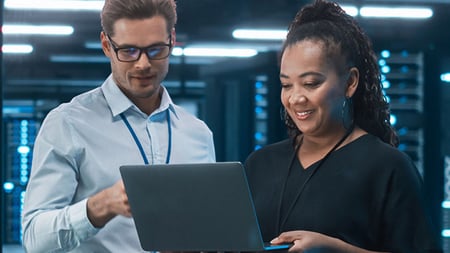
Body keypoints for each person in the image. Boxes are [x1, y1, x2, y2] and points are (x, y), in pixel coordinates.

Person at [244, 0, 442, 252]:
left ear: (350, 82)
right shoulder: (259, 164)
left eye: (311, 83)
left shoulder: (387, 167)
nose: (296, 98)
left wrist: (336, 249)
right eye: (286, 85)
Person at [21, 0, 216, 252]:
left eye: (156, 50)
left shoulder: (198, 133)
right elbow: (34, 238)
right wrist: (100, 207)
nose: (143, 63)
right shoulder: (68, 123)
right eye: (129, 51)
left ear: (172, 40)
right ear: (106, 45)